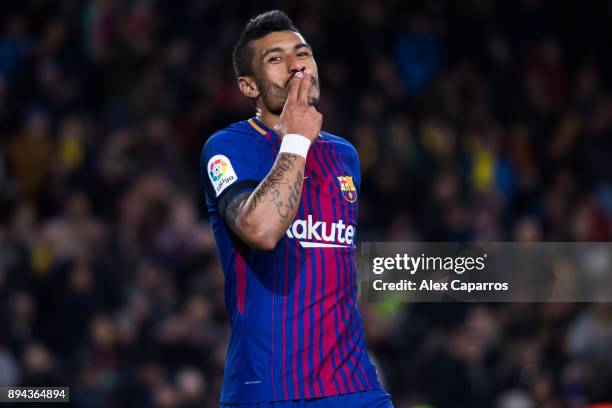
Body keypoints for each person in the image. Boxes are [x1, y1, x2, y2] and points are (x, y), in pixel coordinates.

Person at [200, 10, 393, 407]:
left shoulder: (345, 156)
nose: (296, 65)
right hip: (270, 390)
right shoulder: (227, 148)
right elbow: (262, 230)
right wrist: (297, 142)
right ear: (248, 86)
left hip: (355, 386)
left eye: (302, 53)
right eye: (275, 59)